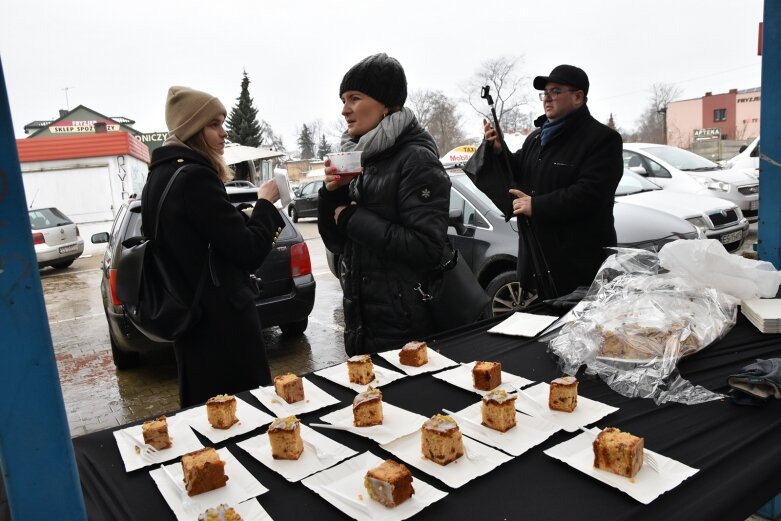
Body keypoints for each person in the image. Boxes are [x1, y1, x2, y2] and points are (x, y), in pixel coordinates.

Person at [142, 86, 284, 407]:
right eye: (214, 124)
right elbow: (248, 252)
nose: (224, 133)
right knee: (242, 422)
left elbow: (194, 239)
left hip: (190, 323)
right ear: (194, 130)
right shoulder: (196, 178)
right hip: (222, 332)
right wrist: (264, 205)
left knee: (208, 423)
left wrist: (236, 219)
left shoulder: (160, 175)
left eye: (223, 123)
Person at [318, 53, 451, 356]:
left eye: (355, 98)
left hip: (404, 328)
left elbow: (427, 248)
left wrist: (352, 218)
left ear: (387, 104)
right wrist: (331, 195)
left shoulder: (416, 159)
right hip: (362, 323)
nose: (344, 109)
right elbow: (338, 245)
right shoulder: (362, 155)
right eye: (343, 99)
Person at [468, 64, 623, 300]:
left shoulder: (602, 139)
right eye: (545, 93)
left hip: (579, 270)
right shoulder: (537, 138)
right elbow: (518, 170)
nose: (547, 99)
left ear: (578, 97)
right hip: (538, 265)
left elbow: (591, 193)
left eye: (555, 92)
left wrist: (537, 205)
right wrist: (499, 151)